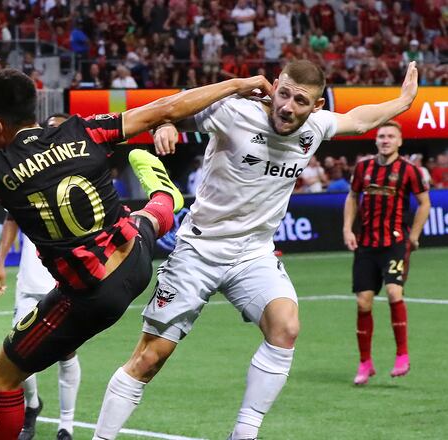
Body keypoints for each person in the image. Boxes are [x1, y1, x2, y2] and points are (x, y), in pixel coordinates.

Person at [0, 68, 274, 439]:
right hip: (136, 259)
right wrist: (237, 84)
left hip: (92, 294)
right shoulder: (85, 130)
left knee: (0, 377)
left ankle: (161, 207)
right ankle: (164, 202)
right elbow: (168, 108)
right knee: (140, 221)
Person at [91, 60, 421, 440]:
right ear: (274, 86)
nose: (288, 107)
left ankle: (244, 433)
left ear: (315, 107)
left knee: (286, 327)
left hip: (253, 254)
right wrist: (166, 124)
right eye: (284, 94)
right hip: (199, 250)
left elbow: (360, 119)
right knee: (150, 358)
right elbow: (173, 110)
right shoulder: (234, 111)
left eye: (300, 101)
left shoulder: (314, 128)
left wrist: (403, 101)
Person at [0, 113, 81, 440]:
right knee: (18, 351)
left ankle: (66, 426)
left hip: (69, 280)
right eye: (51, 129)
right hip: (30, 282)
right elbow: (11, 219)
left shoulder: (81, 170)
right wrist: (0, 262)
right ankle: (32, 404)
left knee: (66, 353)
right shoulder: (26, 171)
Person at [343, 120, 431, 385]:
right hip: (366, 244)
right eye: (381, 136)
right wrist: (348, 229)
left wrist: (414, 236)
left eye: (391, 136)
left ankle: (402, 355)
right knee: (363, 303)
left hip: (395, 243)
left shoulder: (410, 171)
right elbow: (352, 197)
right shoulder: (363, 168)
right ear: (376, 140)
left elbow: (424, 202)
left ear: (399, 141)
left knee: (394, 292)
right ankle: (365, 363)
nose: (385, 140)